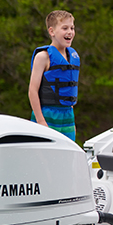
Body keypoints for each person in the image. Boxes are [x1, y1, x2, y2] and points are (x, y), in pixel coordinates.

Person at [28, 10, 79, 141]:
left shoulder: (72, 57)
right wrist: (40, 121)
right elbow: (32, 91)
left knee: (67, 153)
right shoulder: (43, 57)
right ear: (52, 31)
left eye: (72, 28)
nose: (70, 32)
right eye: (65, 28)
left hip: (67, 115)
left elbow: (68, 90)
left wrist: (71, 120)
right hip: (47, 114)